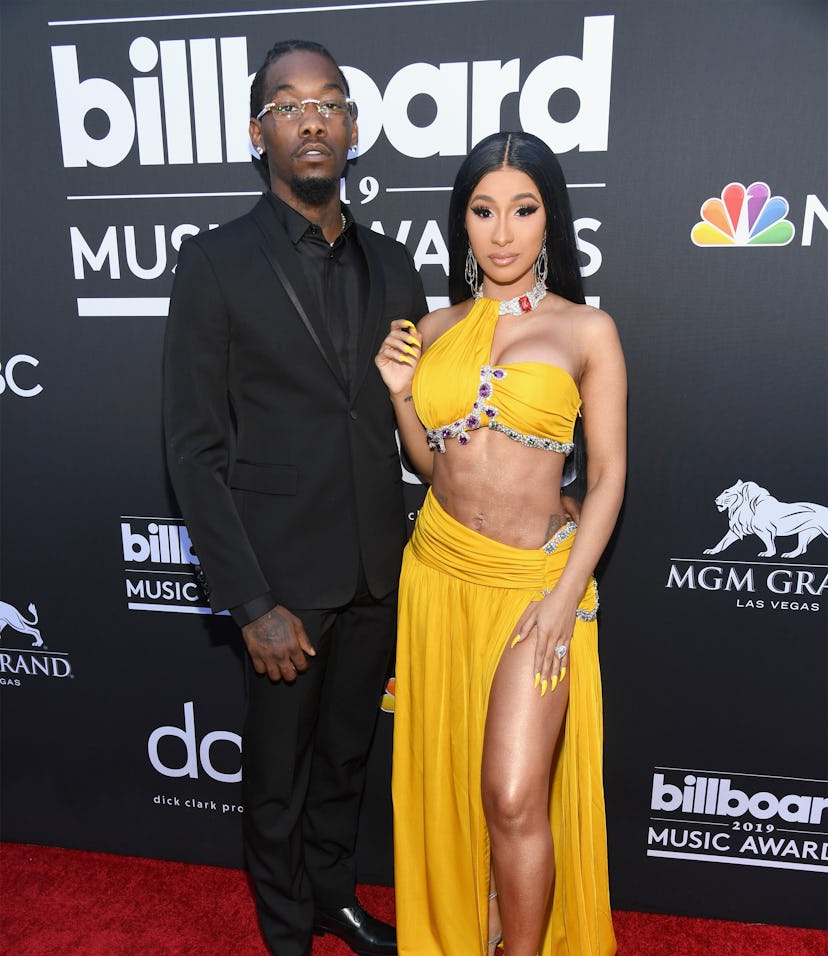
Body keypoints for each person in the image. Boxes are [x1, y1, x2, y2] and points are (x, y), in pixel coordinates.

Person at [163, 39, 426, 956]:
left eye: (329, 103)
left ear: (353, 127)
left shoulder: (396, 266)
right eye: (289, 104)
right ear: (257, 132)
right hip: (279, 583)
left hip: (375, 571)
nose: (311, 119)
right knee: (277, 775)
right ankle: (284, 932)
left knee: (348, 759)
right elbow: (192, 451)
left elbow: (414, 417)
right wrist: (252, 603)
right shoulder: (215, 264)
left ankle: (333, 897)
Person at [375, 131, 625, 956]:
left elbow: (610, 476)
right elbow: (430, 463)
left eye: (523, 209)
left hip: (532, 586)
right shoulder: (436, 326)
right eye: (484, 211)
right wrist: (404, 396)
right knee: (453, 786)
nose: (503, 232)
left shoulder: (588, 331)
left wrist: (562, 601)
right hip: (440, 575)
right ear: (463, 222)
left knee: (514, 793)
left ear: (550, 219)